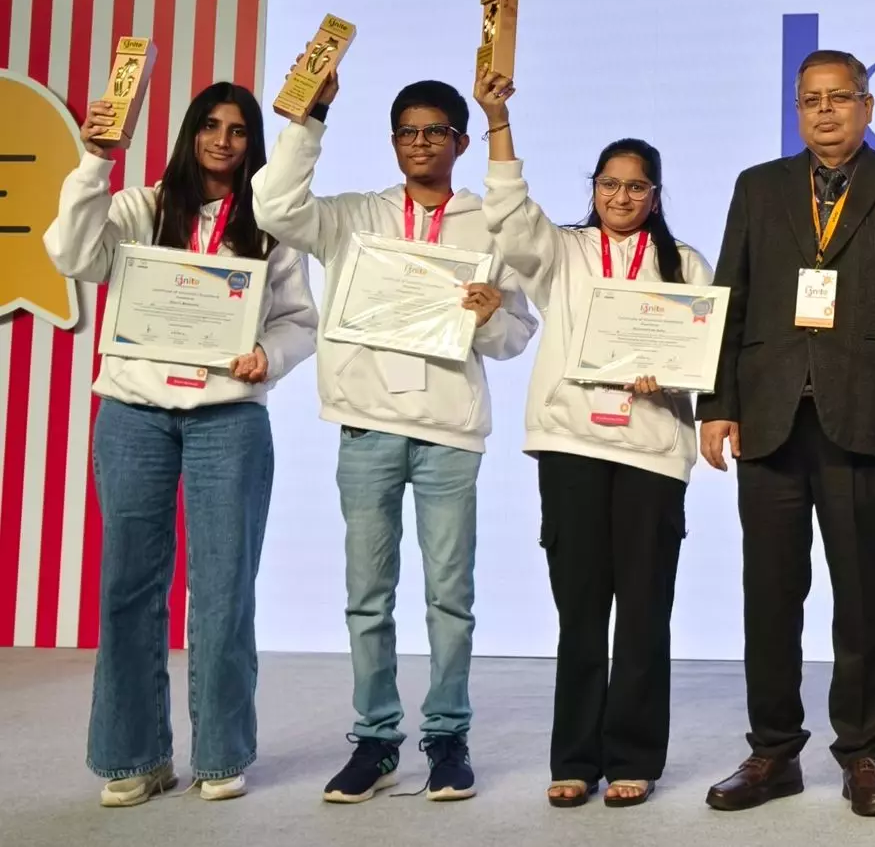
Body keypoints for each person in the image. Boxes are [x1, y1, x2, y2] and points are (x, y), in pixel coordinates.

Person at [250, 73, 536, 804]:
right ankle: (376, 740)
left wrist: (487, 315)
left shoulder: (487, 225)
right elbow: (274, 204)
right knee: (367, 597)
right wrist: (311, 117)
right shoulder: (354, 216)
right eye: (408, 132)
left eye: (434, 131)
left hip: (448, 432)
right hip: (368, 426)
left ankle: (447, 737)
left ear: (460, 142)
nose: (420, 143)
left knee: (450, 597)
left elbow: (514, 337)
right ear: (393, 142)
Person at [44, 83, 317, 806]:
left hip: (227, 419)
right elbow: (70, 254)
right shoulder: (138, 207)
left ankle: (222, 753)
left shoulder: (268, 227)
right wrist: (94, 163)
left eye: (238, 130)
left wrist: (270, 355)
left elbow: (299, 321)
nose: (223, 140)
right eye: (210, 126)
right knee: (128, 587)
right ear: (191, 132)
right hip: (133, 413)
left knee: (224, 590)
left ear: (252, 143)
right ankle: (135, 756)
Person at [697, 48, 875, 819]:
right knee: (769, 594)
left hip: (867, 417)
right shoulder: (758, 186)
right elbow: (728, 299)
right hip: (770, 416)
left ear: (868, 107)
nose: (826, 111)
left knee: (864, 595)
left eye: (841, 98)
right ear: (797, 109)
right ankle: (773, 751)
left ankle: (863, 753)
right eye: (812, 100)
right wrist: (715, 404)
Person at [475, 70, 710, 809]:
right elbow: (509, 216)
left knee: (644, 611)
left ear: (656, 195)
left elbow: (702, 356)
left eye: (637, 187)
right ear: (594, 188)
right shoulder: (563, 253)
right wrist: (497, 120)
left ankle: (635, 754)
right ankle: (575, 757)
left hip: (651, 453)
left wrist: (668, 377)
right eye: (610, 183)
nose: (622, 197)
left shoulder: (687, 265)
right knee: (580, 613)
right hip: (573, 449)